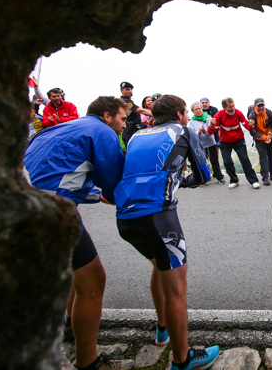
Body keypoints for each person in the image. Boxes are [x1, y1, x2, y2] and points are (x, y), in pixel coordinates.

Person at [113, 95, 219, 370]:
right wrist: (181, 181)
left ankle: (162, 330)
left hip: (125, 218)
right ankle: (182, 360)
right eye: (185, 112)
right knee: (176, 290)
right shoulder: (183, 131)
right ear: (180, 113)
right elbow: (204, 175)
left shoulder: (136, 134)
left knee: (158, 266)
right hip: (158, 218)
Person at [24, 96, 127, 370]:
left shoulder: (58, 129)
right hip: (50, 211)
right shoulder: (103, 132)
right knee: (94, 281)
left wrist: (97, 196)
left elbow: (60, 174)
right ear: (107, 116)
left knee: (76, 273)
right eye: (122, 119)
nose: (123, 126)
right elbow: (116, 187)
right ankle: (89, 363)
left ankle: (73, 325)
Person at [207, 98, 260, 189]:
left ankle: (254, 181)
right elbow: (211, 132)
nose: (232, 108)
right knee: (227, 161)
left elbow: (247, 126)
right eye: (230, 107)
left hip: (239, 140)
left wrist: (251, 125)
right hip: (225, 142)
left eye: (233, 106)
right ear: (224, 107)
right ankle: (234, 180)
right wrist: (211, 125)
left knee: (244, 159)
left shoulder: (238, 113)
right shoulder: (219, 115)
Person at [188, 102, 225, 185]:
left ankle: (219, 177)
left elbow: (212, 131)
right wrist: (199, 132)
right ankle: (204, 178)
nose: (198, 111)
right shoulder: (192, 121)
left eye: (199, 108)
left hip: (210, 143)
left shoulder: (208, 118)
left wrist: (205, 131)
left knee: (214, 161)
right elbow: (192, 133)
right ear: (193, 111)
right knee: (202, 162)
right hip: (200, 144)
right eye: (196, 109)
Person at [248, 98, 272, 185]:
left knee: (271, 156)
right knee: (263, 157)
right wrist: (265, 137)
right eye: (259, 106)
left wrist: (270, 136)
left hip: (268, 136)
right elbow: (252, 132)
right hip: (259, 139)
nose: (261, 107)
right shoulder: (252, 116)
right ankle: (265, 178)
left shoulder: (268, 113)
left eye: (262, 105)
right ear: (255, 106)